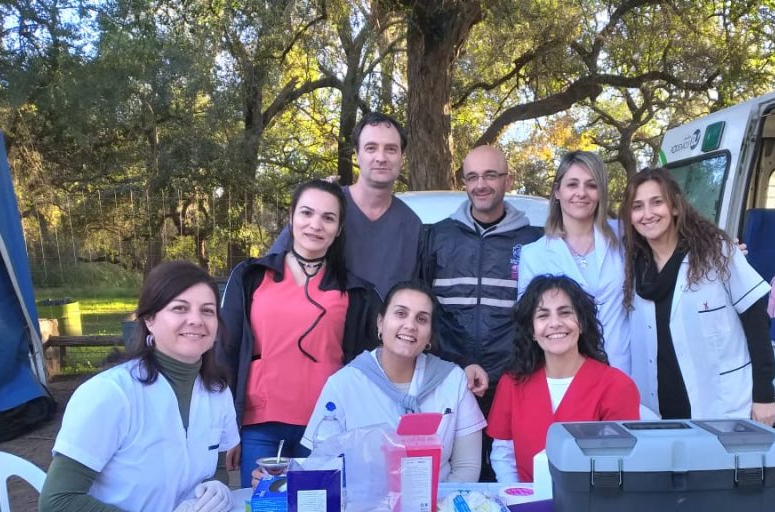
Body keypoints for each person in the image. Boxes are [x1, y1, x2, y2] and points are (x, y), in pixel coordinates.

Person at [39, 261, 239, 512]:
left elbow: (214, 467)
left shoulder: (216, 392)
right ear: (148, 320)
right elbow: (57, 502)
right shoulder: (111, 395)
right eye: (179, 308)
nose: (195, 320)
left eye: (207, 310)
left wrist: (215, 487)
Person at [220, 179, 379, 487]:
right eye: (307, 213)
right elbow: (225, 352)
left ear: (339, 228)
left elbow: (372, 366)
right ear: (291, 217)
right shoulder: (250, 277)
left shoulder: (357, 291)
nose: (315, 225)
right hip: (261, 427)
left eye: (328, 218)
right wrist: (227, 430)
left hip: (327, 429)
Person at [620, 167, 775, 424]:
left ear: (675, 207)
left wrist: (764, 394)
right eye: (637, 207)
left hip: (719, 405)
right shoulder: (632, 265)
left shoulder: (718, 253)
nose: (647, 214)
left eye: (656, 202)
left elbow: (757, 322)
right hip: (657, 409)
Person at [303, 280, 485, 482]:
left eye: (422, 319)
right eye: (400, 313)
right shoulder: (343, 384)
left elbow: (466, 466)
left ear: (430, 334)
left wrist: (441, 509)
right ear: (380, 322)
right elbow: (322, 463)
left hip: (439, 507)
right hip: (365, 509)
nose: (410, 325)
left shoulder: (453, 380)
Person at [418, 145, 543, 404]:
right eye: (472, 177)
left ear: (508, 180)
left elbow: (540, 312)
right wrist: (454, 363)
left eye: (490, 175)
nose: (481, 184)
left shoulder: (534, 241)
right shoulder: (436, 236)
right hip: (445, 377)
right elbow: (422, 304)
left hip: (515, 380)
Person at [488, 275, 640, 483]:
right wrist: (522, 498)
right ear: (532, 330)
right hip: (527, 506)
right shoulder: (512, 383)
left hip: (592, 507)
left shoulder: (617, 386)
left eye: (565, 313)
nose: (555, 323)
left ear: (582, 323)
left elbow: (622, 463)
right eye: (543, 316)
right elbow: (503, 455)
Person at [266, 112, 421, 298]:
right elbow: (271, 270)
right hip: (323, 322)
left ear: (401, 158)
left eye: (391, 149)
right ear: (356, 155)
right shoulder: (324, 210)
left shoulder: (412, 225)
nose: (381, 157)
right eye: (371, 148)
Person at [517, 151, 630, 374]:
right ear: (557, 191)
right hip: (567, 374)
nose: (581, 193)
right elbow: (529, 323)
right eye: (572, 184)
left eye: (591, 185)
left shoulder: (624, 237)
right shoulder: (534, 254)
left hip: (623, 368)